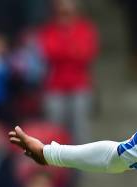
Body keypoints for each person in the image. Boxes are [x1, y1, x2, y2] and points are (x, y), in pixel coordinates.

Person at [37, 0, 99, 143]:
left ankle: (80, 165)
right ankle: (57, 165)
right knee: (54, 132)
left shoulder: (85, 28)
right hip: (55, 86)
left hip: (80, 86)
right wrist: (72, 49)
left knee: (81, 131)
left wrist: (63, 49)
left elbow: (87, 53)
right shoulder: (48, 29)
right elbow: (48, 52)